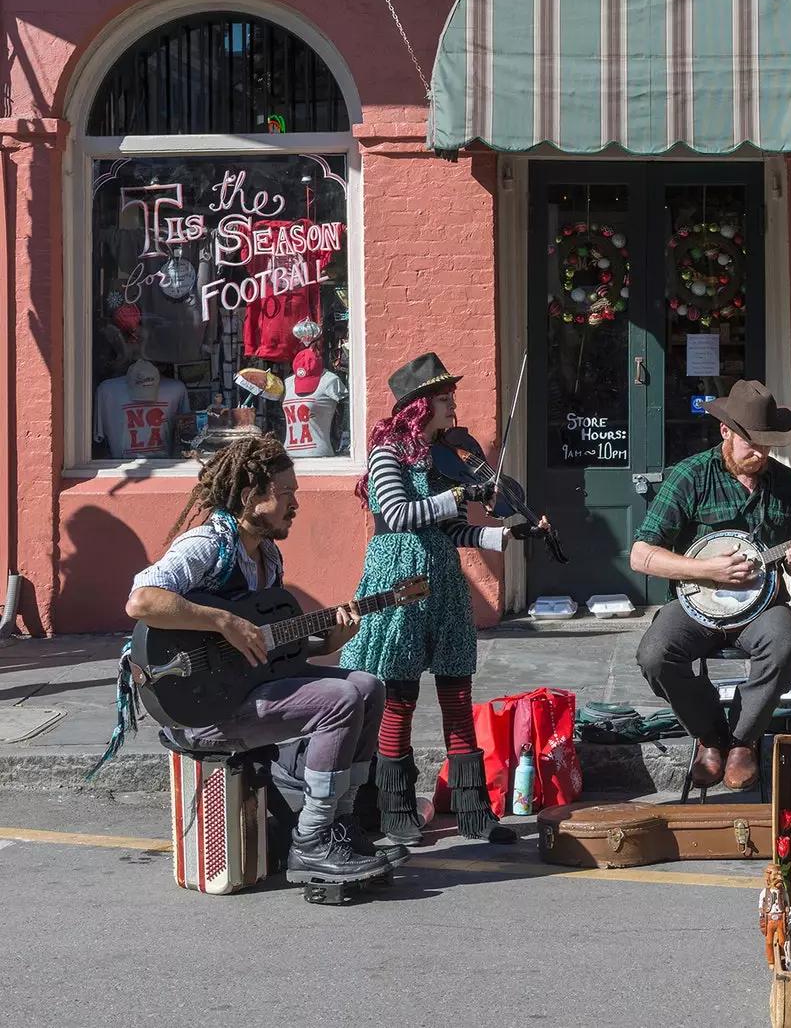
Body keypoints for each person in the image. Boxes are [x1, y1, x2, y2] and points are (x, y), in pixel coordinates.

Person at [124, 435, 398, 885]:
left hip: (248, 688)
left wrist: (327, 642)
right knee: (340, 699)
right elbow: (142, 601)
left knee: (367, 686)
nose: (295, 504)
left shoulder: (268, 555)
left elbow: (269, 653)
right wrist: (222, 622)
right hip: (204, 706)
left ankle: (341, 825)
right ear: (252, 497)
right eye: (286, 493)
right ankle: (311, 842)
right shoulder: (206, 546)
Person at [340, 353, 542, 846]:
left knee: (457, 693)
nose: (454, 409)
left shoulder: (441, 455)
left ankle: (475, 811)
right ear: (421, 405)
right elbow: (399, 512)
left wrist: (503, 536)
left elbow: (450, 528)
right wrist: (459, 494)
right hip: (399, 577)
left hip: (444, 580)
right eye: (446, 400)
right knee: (400, 697)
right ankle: (396, 810)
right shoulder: (388, 451)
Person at [631, 380, 791, 792]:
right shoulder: (690, 476)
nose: (760, 453)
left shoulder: (786, 483)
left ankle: (743, 741)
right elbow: (641, 554)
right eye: (751, 442)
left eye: (767, 444)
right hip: (697, 605)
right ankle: (710, 734)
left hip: (763, 606)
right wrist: (705, 570)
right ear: (725, 431)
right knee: (655, 655)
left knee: (785, 644)